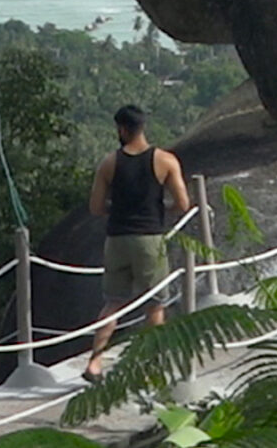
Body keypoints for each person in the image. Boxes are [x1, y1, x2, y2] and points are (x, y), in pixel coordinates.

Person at [82, 104, 191, 380]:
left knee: (112, 303)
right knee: (155, 304)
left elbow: (95, 207)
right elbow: (182, 203)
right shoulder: (165, 161)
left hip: (117, 239)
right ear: (142, 128)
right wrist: (158, 209)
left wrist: (117, 210)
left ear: (122, 129)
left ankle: (95, 363)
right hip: (149, 239)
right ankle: (151, 363)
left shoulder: (109, 163)